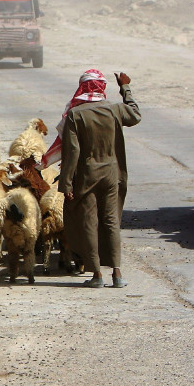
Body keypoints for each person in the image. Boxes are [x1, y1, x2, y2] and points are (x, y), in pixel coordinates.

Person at [58, 70, 140, 288]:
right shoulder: (114, 109)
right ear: (103, 87)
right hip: (112, 174)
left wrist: (66, 183)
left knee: (89, 222)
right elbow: (135, 114)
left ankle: (96, 275)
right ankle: (117, 273)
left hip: (87, 175)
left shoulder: (76, 115)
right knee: (111, 220)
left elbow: (72, 152)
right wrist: (125, 88)